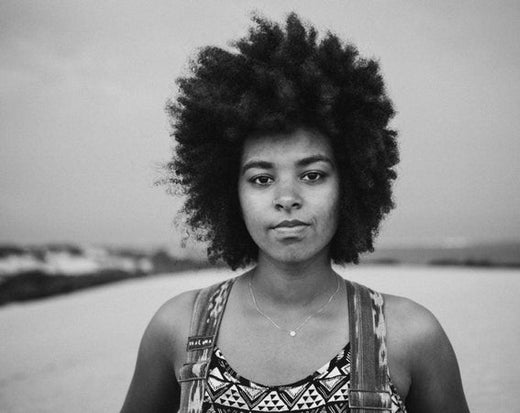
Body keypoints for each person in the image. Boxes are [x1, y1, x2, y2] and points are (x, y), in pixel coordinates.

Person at [121, 13, 469, 413]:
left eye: (312, 174)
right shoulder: (177, 328)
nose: (287, 197)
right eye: (261, 179)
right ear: (227, 191)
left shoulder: (410, 336)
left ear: (351, 184)